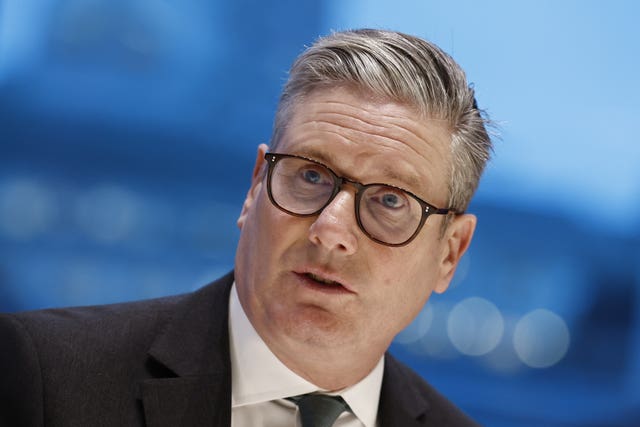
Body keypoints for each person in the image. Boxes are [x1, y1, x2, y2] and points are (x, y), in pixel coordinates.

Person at [0, 28, 492, 427]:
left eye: (390, 200)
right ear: (256, 185)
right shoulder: (45, 378)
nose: (330, 229)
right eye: (312, 175)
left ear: (450, 253)